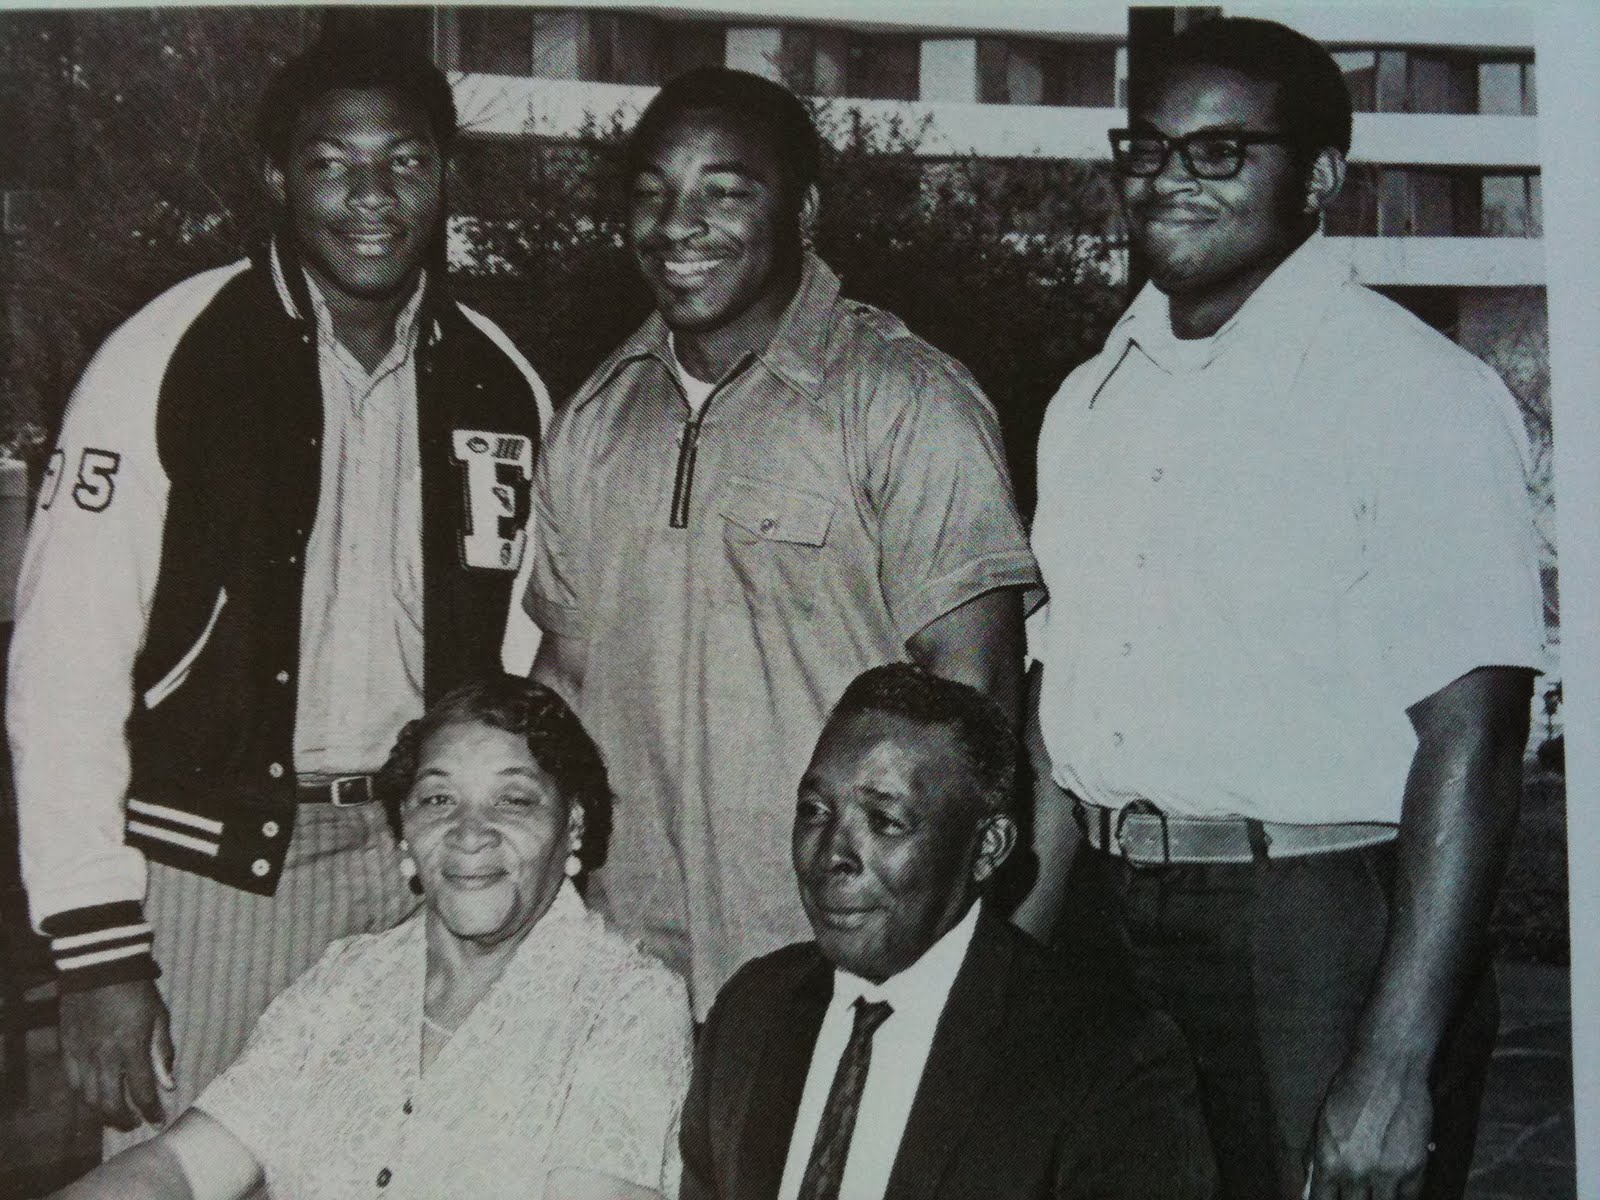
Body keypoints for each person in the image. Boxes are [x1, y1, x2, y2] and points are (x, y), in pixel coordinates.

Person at [1021, 17, 1545, 1200]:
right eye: (1147, 147)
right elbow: (1064, 708)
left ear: (1318, 177)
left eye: (1219, 152)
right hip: (1113, 917)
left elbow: (1475, 739)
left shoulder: (1410, 393)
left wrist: (1394, 1059)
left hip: (1311, 930)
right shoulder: (1089, 399)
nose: (1168, 177)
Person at [7, 30, 551, 1146]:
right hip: (213, 878)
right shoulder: (169, 354)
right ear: (274, 176)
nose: (370, 195)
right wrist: (98, 943)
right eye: (330, 161)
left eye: (403, 161)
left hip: (420, 868)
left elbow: (528, 658)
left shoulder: (499, 378)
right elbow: (62, 668)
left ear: (445, 177)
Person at [528, 66, 1040, 1018]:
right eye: (651, 192)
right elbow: (563, 682)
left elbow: (979, 702)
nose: (677, 225)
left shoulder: (904, 399)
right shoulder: (593, 418)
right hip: (625, 964)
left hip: (832, 958)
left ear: (803, 211)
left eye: (724, 192)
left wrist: (928, 946)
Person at [49, 676, 693, 1200]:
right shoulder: (347, 980)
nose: (472, 833)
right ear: (404, 833)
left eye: (513, 801)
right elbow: (182, 1169)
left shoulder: (627, 1007)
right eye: (439, 801)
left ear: (572, 826)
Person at [679, 663, 1216, 1200]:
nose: (833, 856)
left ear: (987, 849)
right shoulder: (749, 1016)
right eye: (815, 811)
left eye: (885, 822)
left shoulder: (1106, 1064)